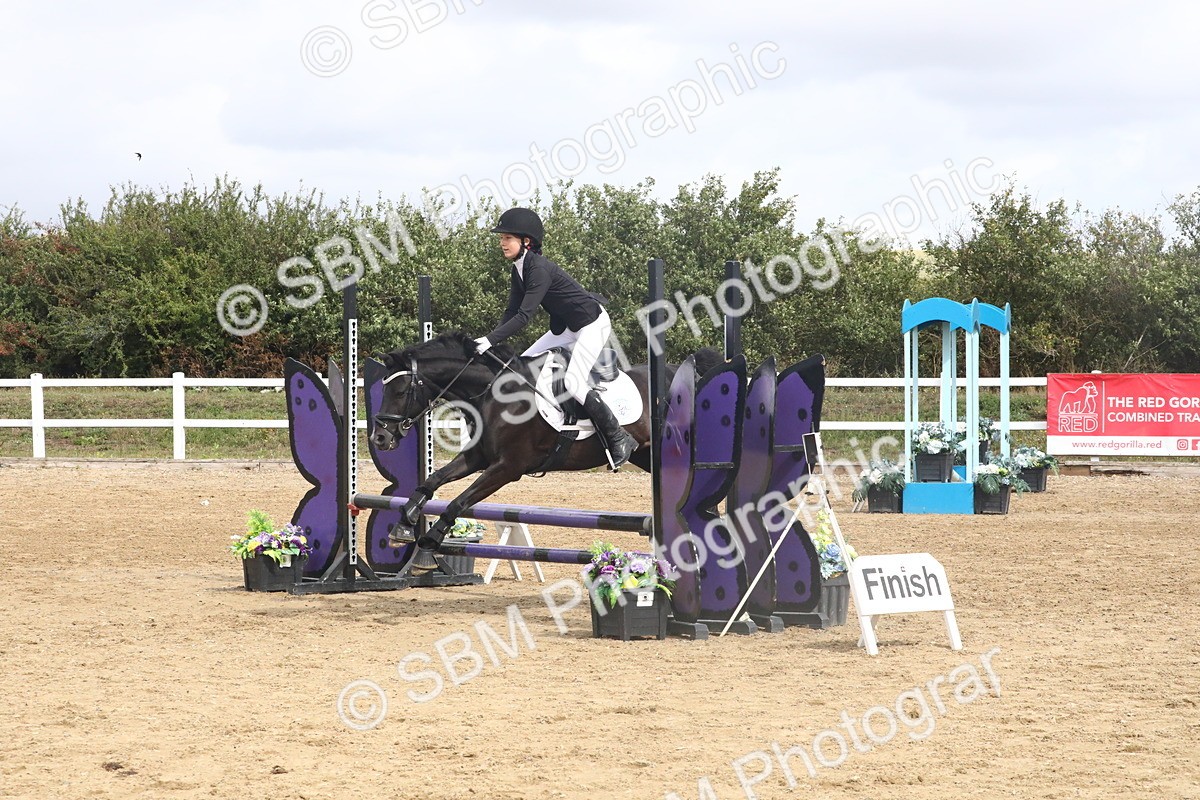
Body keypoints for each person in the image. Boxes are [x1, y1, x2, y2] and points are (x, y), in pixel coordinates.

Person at [473, 207, 637, 468]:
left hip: (591, 325)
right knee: (523, 364)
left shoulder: (537, 270)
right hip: (567, 328)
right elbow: (510, 311)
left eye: (507, 238)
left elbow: (524, 316)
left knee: (573, 382)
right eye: (501, 238)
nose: (502, 243)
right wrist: (490, 338)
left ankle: (619, 438)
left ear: (526, 241)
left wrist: (490, 341)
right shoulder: (519, 268)